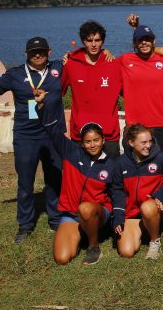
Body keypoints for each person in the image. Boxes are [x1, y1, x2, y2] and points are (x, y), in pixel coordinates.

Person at [0, 38, 63, 243]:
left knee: (56, 179)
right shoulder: (15, 74)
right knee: (25, 183)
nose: (38, 55)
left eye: (41, 51)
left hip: (53, 133)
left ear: (49, 51)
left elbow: (85, 59)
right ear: (26, 54)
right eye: (33, 52)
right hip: (26, 136)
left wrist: (107, 54)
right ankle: (25, 224)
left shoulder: (59, 67)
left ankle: (56, 218)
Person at [34, 88, 115, 266]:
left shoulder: (111, 165)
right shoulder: (71, 152)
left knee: (86, 208)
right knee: (62, 258)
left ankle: (93, 246)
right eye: (88, 141)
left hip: (98, 212)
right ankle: (80, 235)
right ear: (82, 143)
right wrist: (40, 106)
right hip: (71, 214)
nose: (92, 145)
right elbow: (52, 130)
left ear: (103, 140)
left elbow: (116, 194)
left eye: (96, 140)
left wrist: (117, 220)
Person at [111, 124, 163, 259]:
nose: (148, 145)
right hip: (132, 214)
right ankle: (142, 232)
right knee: (126, 252)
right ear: (131, 143)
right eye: (143, 142)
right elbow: (117, 191)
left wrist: (160, 194)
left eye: (150, 141)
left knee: (147, 207)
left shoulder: (161, 158)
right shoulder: (121, 163)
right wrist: (118, 216)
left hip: (153, 210)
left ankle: (154, 241)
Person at [62, 21, 123, 158]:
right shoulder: (70, 65)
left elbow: (130, 93)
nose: (94, 44)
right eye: (89, 41)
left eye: (97, 40)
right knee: (82, 177)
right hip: (81, 134)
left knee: (111, 177)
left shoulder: (115, 65)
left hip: (109, 134)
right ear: (83, 41)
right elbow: (57, 91)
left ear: (103, 41)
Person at [119, 25, 163, 152]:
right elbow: (102, 63)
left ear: (154, 41)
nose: (144, 42)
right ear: (134, 43)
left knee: (158, 169)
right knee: (133, 168)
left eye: (147, 39)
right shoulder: (125, 59)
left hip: (159, 125)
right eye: (140, 40)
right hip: (134, 126)